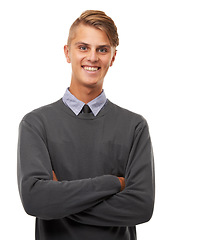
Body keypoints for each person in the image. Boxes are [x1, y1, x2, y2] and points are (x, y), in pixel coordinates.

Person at [17, 10, 155, 240]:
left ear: (112, 57)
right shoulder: (36, 124)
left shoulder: (134, 126)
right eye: (83, 47)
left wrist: (61, 201)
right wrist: (113, 183)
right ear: (67, 52)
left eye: (102, 49)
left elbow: (141, 206)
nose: (92, 57)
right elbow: (35, 201)